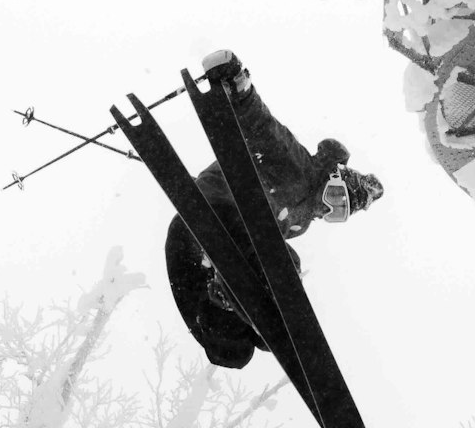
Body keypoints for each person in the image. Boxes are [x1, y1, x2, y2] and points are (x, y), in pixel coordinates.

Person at [164, 53, 383, 369]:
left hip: (194, 248)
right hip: (214, 215)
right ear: (332, 176)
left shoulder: (300, 222)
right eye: (335, 196)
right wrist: (236, 83)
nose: (326, 208)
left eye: (337, 212)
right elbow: (258, 123)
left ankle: (222, 296)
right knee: (284, 264)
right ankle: (243, 290)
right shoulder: (297, 164)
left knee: (237, 352)